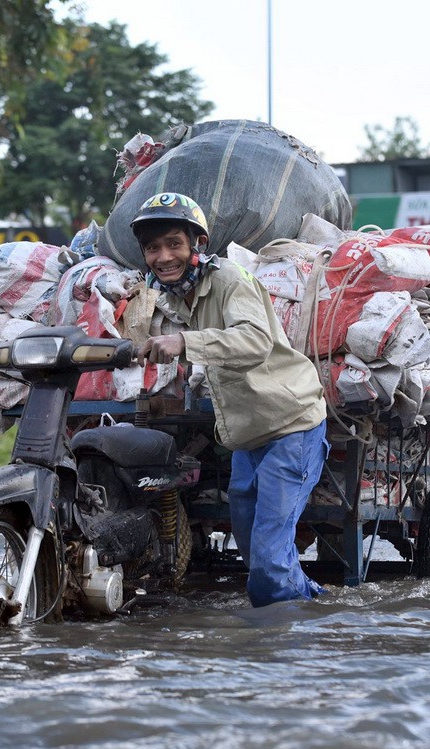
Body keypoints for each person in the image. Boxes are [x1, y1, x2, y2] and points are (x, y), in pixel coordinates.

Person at [132, 192, 328, 608]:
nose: (163, 256)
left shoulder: (229, 280)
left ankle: (285, 657)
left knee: (268, 566)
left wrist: (184, 342)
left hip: (290, 424)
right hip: (245, 435)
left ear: (197, 245)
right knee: (258, 557)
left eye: (174, 244)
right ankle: (316, 610)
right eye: (153, 248)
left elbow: (254, 341)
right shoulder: (174, 294)